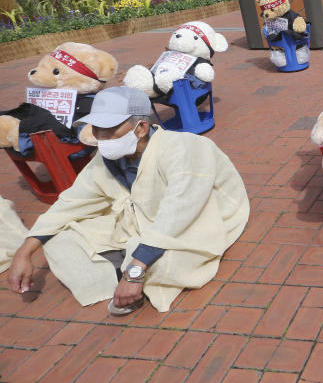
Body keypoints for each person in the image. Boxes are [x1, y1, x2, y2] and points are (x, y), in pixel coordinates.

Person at [6, 87, 249, 316]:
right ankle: (127, 267)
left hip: (195, 221)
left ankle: (132, 267)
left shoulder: (185, 148)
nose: (100, 136)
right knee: (58, 240)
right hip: (141, 221)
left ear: (141, 128)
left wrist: (134, 271)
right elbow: (71, 202)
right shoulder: (107, 157)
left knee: (160, 260)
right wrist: (24, 253)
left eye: (109, 129)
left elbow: (178, 213)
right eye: (96, 128)